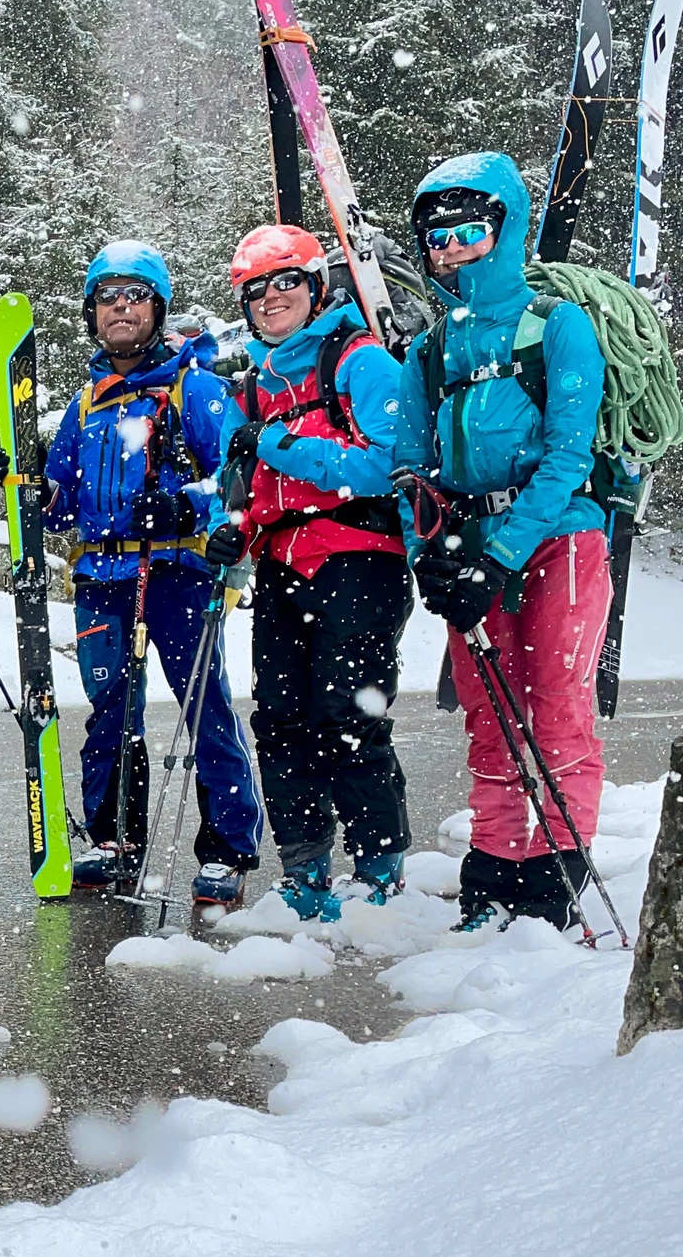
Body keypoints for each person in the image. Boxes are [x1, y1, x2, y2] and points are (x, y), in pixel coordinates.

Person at [393, 154, 609, 931]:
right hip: (470, 547)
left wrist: (500, 553)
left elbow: (568, 455)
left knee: (555, 707)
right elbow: (411, 465)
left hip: (559, 541)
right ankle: (493, 863)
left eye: (469, 233)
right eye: (438, 239)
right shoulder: (430, 350)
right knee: (490, 712)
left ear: (505, 231)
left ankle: (554, 868)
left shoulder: (556, 325)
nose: (451, 251)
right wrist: (436, 555)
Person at [41, 240, 262, 906]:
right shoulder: (85, 405)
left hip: (177, 573)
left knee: (205, 707)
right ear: (91, 310)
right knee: (110, 710)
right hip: (104, 580)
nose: (120, 309)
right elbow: (57, 507)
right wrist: (26, 483)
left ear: (156, 307)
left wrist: (182, 501)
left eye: (134, 296)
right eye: (108, 297)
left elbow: (237, 472)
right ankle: (113, 838)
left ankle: (228, 846)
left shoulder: (193, 386)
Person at [205, 225, 411, 921]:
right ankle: (303, 869)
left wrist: (280, 446)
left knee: (346, 713)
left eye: (285, 281)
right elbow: (236, 485)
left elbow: (387, 465)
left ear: (317, 285)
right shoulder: (255, 385)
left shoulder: (360, 361)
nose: (270, 299)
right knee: (281, 719)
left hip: (360, 556)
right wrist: (225, 530)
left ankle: (379, 867)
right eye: (254, 290)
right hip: (283, 567)